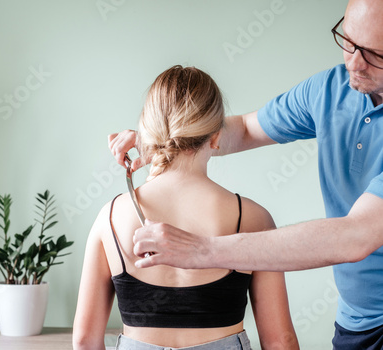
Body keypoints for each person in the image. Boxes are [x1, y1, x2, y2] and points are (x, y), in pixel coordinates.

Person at [108, 0, 383, 349]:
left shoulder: (110, 218)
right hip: (355, 321)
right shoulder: (329, 89)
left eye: (374, 54)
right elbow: (248, 129)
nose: (354, 63)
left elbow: (355, 236)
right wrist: (163, 138)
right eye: (349, 41)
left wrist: (202, 250)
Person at [73, 66, 299, 350]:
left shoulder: (110, 217)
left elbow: (84, 340)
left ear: (147, 130)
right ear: (216, 137)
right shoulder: (252, 218)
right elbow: (280, 341)